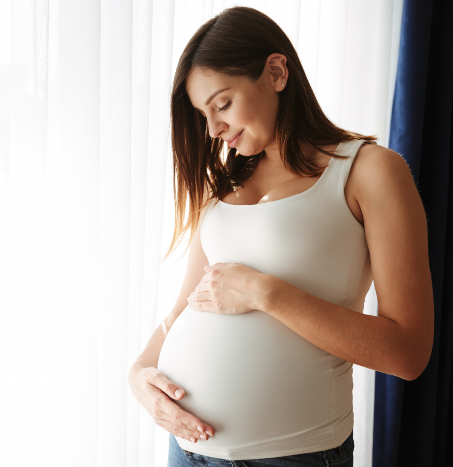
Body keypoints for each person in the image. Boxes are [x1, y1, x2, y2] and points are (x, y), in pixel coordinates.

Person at [127, 6, 434, 467]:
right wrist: (140, 374)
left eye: (223, 104)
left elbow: (408, 352)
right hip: (186, 451)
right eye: (202, 115)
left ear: (275, 72)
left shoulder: (369, 172)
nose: (213, 130)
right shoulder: (224, 186)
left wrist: (265, 292)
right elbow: (183, 307)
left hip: (293, 456)